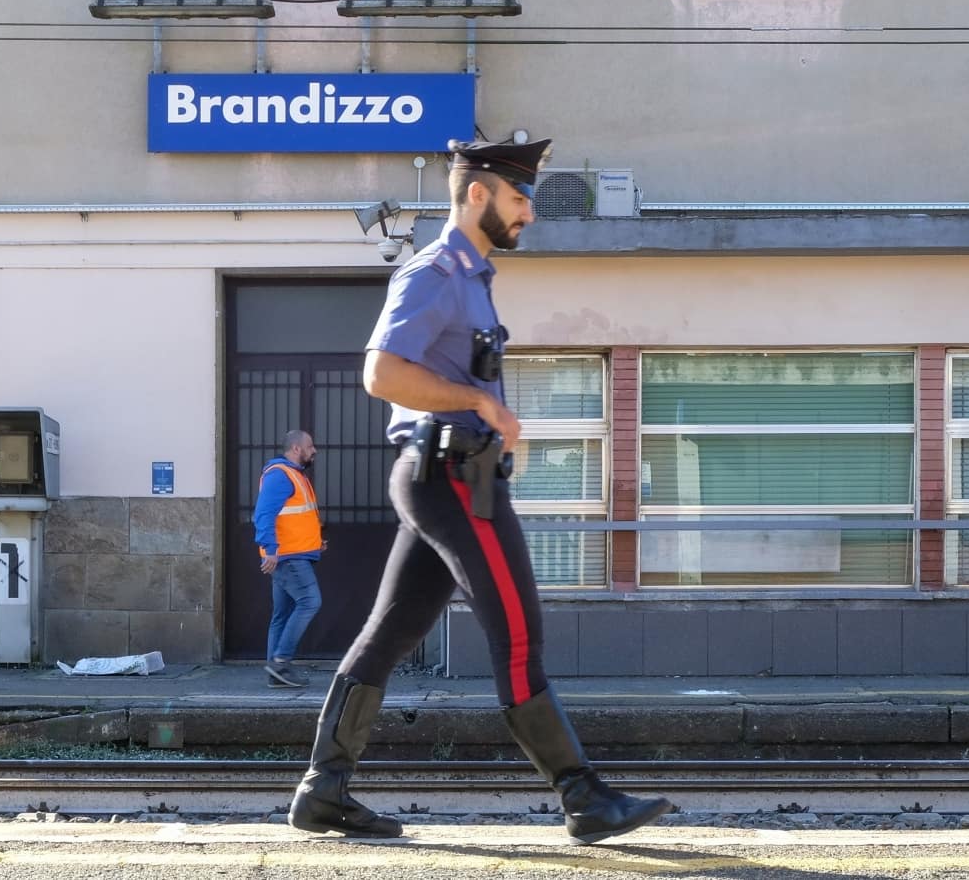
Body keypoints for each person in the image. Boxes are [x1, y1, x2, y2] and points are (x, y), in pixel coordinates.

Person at [288, 137, 674, 846]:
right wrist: (482, 405)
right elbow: (380, 374)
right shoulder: (435, 272)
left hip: (450, 477)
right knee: (518, 633)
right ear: (477, 194)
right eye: (519, 196)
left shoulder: (473, 277)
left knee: (390, 634)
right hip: (449, 477)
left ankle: (323, 790)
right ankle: (581, 796)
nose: (529, 211)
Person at [253, 430, 323, 688]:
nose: (313, 450)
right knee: (310, 601)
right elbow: (263, 514)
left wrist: (316, 542)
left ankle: (276, 674)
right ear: (296, 448)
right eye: (310, 446)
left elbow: (294, 517)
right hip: (287, 557)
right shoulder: (280, 475)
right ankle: (280, 661)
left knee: (282, 614)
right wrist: (269, 548)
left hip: (289, 554)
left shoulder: (294, 475)